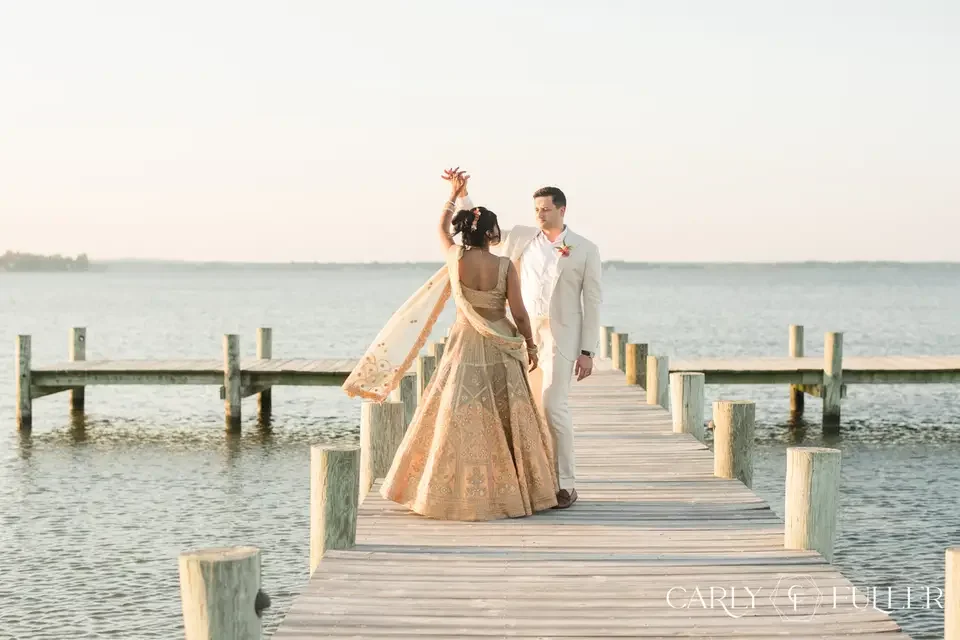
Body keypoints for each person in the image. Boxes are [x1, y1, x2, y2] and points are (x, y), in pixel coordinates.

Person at [341, 169, 559, 520]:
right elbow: (519, 313)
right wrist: (531, 346)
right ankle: (513, 490)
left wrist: (454, 194)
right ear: (491, 233)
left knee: (453, 412)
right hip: (501, 343)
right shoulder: (505, 265)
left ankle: (441, 489)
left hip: (464, 342)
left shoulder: (455, 259)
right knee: (506, 416)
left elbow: (441, 229)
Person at [455, 175, 602, 509]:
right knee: (529, 409)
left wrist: (587, 351)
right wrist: (463, 197)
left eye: (546, 209)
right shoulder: (521, 237)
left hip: (562, 337)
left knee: (554, 406)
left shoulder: (586, 249)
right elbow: (482, 232)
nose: (540, 214)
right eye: (536, 209)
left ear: (562, 210)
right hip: (521, 335)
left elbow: (592, 302)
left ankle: (566, 484)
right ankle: (536, 481)